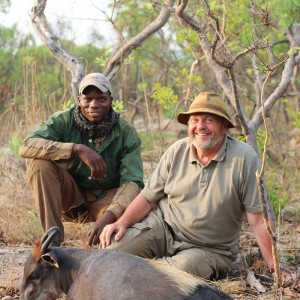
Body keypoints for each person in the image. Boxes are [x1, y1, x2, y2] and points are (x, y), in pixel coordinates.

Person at [100, 91, 276, 280]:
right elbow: (148, 198)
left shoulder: (245, 159)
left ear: (224, 126)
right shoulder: (177, 150)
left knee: (166, 275)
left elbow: (258, 221)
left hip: (209, 249)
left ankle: (137, 275)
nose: (200, 126)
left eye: (209, 120)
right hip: (163, 228)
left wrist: (276, 268)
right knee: (111, 252)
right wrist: (122, 222)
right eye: (195, 120)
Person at [19, 72, 144, 245]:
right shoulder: (63, 120)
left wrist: (111, 214)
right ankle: (53, 242)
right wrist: (75, 149)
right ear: (79, 100)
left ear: (110, 100)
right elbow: (27, 145)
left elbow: (133, 182)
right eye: (88, 99)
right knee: (39, 164)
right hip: (71, 197)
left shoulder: (126, 131)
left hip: (107, 200)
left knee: (125, 231)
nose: (94, 105)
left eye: (101, 99)